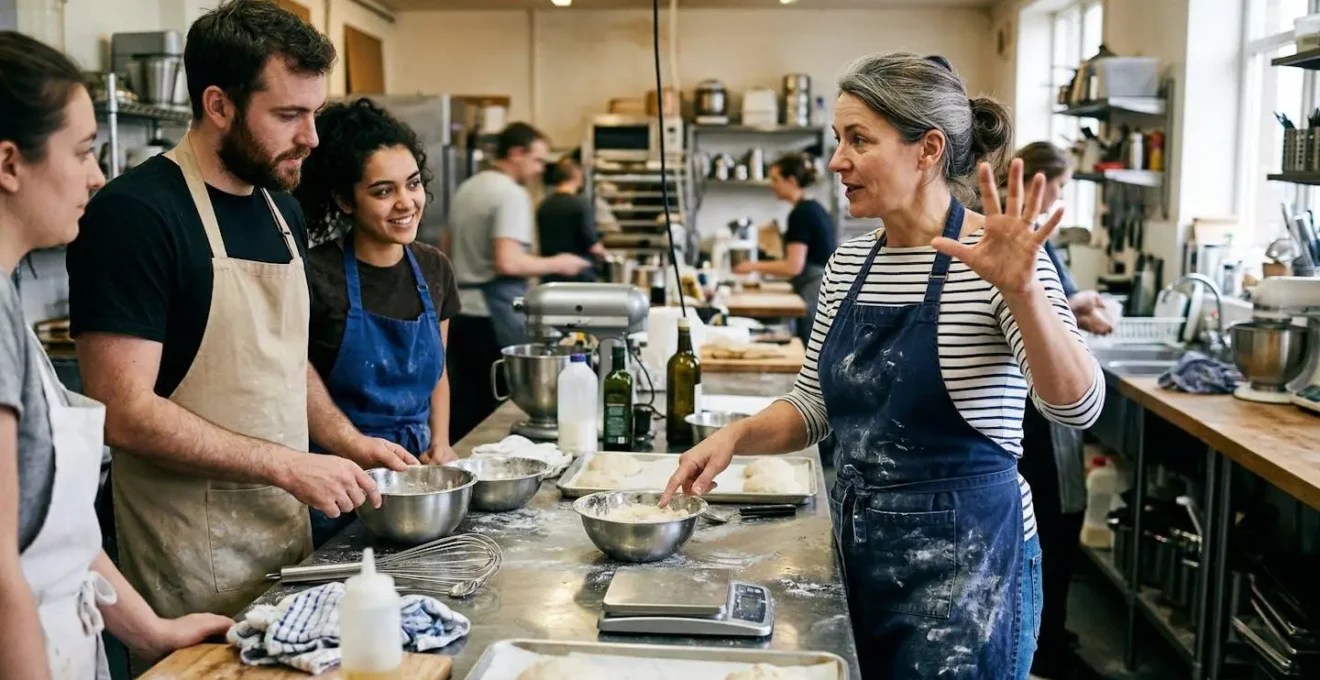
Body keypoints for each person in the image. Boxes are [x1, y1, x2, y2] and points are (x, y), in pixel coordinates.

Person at [662, 53, 1105, 679]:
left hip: (971, 574)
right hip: (859, 553)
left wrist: (1024, 292)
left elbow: (1077, 406)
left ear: (927, 149)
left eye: (859, 140)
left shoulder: (998, 260)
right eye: (839, 139)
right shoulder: (848, 263)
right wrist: (734, 436)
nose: (837, 160)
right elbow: (814, 405)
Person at [66, 0, 407, 624]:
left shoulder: (283, 210)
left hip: (284, 534)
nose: (311, 137)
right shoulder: (137, 215)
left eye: (315, 113)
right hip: (189, 557)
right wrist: (284, 462)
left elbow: (282, 362)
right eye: (288, 115)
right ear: (218, 105)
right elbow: (120, 410)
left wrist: (349, 442)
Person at [0, 31, 232, 679]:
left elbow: (56, 530)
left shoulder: (7, 305)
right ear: (9, 163)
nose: (98, 175)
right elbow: (1, 577)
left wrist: (153, 631)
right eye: (82, 152)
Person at [296, 98, 462, 547]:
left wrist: (441, 444)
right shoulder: (315, 273)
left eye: (412, 185)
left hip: (415, 477)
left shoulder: (434, 268)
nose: (406, 203)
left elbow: (438, 372)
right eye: (383, 191)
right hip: (336, 485)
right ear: (344, 201)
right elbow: (292, 381)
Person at [1011, 141, 1114, 680]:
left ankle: (1047, 637)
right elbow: (1041, 309)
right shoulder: (1023, 230)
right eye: (1061, 186)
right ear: (1039, 182)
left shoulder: (1030, 233)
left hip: (1048, 408)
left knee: (1055, 522)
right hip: (1041, 416)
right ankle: (1045, 645)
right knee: (1054, 520)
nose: (1061, 198)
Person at [444, 122, 591, 441]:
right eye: (537, 160)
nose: (540, 169)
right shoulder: (511, 194)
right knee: (492, 410)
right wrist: (561, 263)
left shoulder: (468, 187)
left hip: (459, 313)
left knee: (467, 408)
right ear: (516, 153)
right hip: (490, 315)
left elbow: (445, 248)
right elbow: (507, 261)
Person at [733, 152, 837, 343]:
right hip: (822, 286)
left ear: (791, 180)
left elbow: (793, 266)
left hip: (814, 289)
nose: (772, 185)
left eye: (776, 179)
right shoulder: (813, 208)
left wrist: (750, 266)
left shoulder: (801, 214)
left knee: (812, 351)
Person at [536, 153, 606, 283]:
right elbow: (593, 245)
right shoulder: (581, 204)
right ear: (577, 176)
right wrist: (604, 255)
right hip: (578, 276)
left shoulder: (544, 205)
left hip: (550, 277)